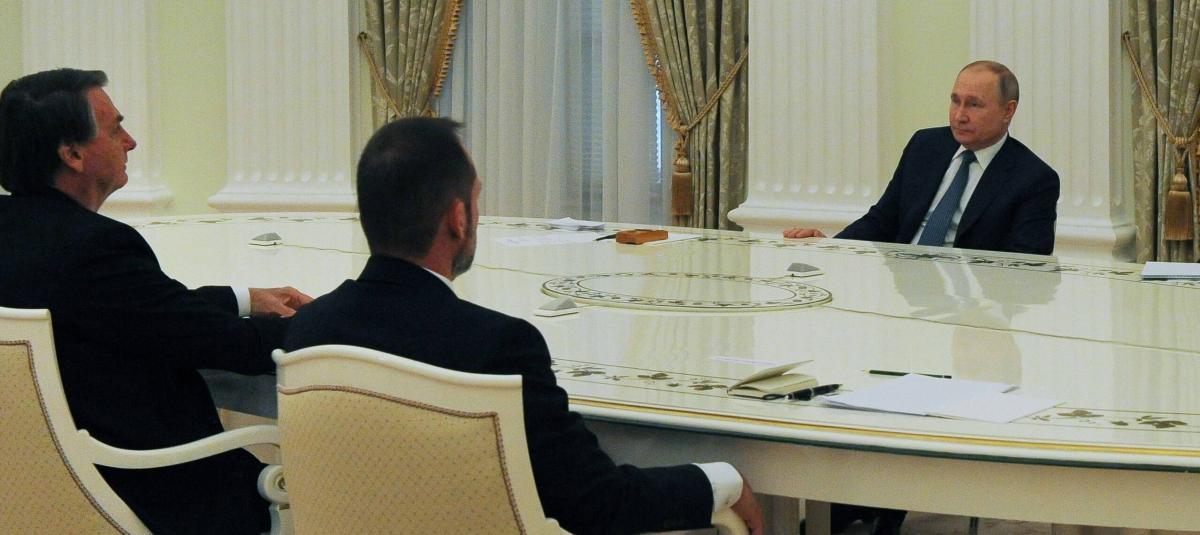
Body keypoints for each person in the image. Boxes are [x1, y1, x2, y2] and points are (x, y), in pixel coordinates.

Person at [283, 117, 765, 535]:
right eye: (475, 199)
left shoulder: (310, 330)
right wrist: (723, 481)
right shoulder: (498, 347)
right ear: (458, 218)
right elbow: (596, 503)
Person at [0, 68, 312, 534]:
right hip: (141, 490)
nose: (131, 142)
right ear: (73, 154)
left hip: (32, 491)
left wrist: (246, 298)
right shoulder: (97, 247)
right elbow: (228, 345)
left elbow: (138, 311)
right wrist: (331, 322)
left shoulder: (20, 233)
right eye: (115, 130)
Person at [784, 60, 1059, 255]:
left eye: (974, 105)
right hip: (901, 287)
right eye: (955, 101)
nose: (959, 115)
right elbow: (882, 221)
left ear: (1008, 111)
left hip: (971, 304)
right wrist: (831, 246)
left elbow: (1025, 265)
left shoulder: (1034, 179)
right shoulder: (925, 146)